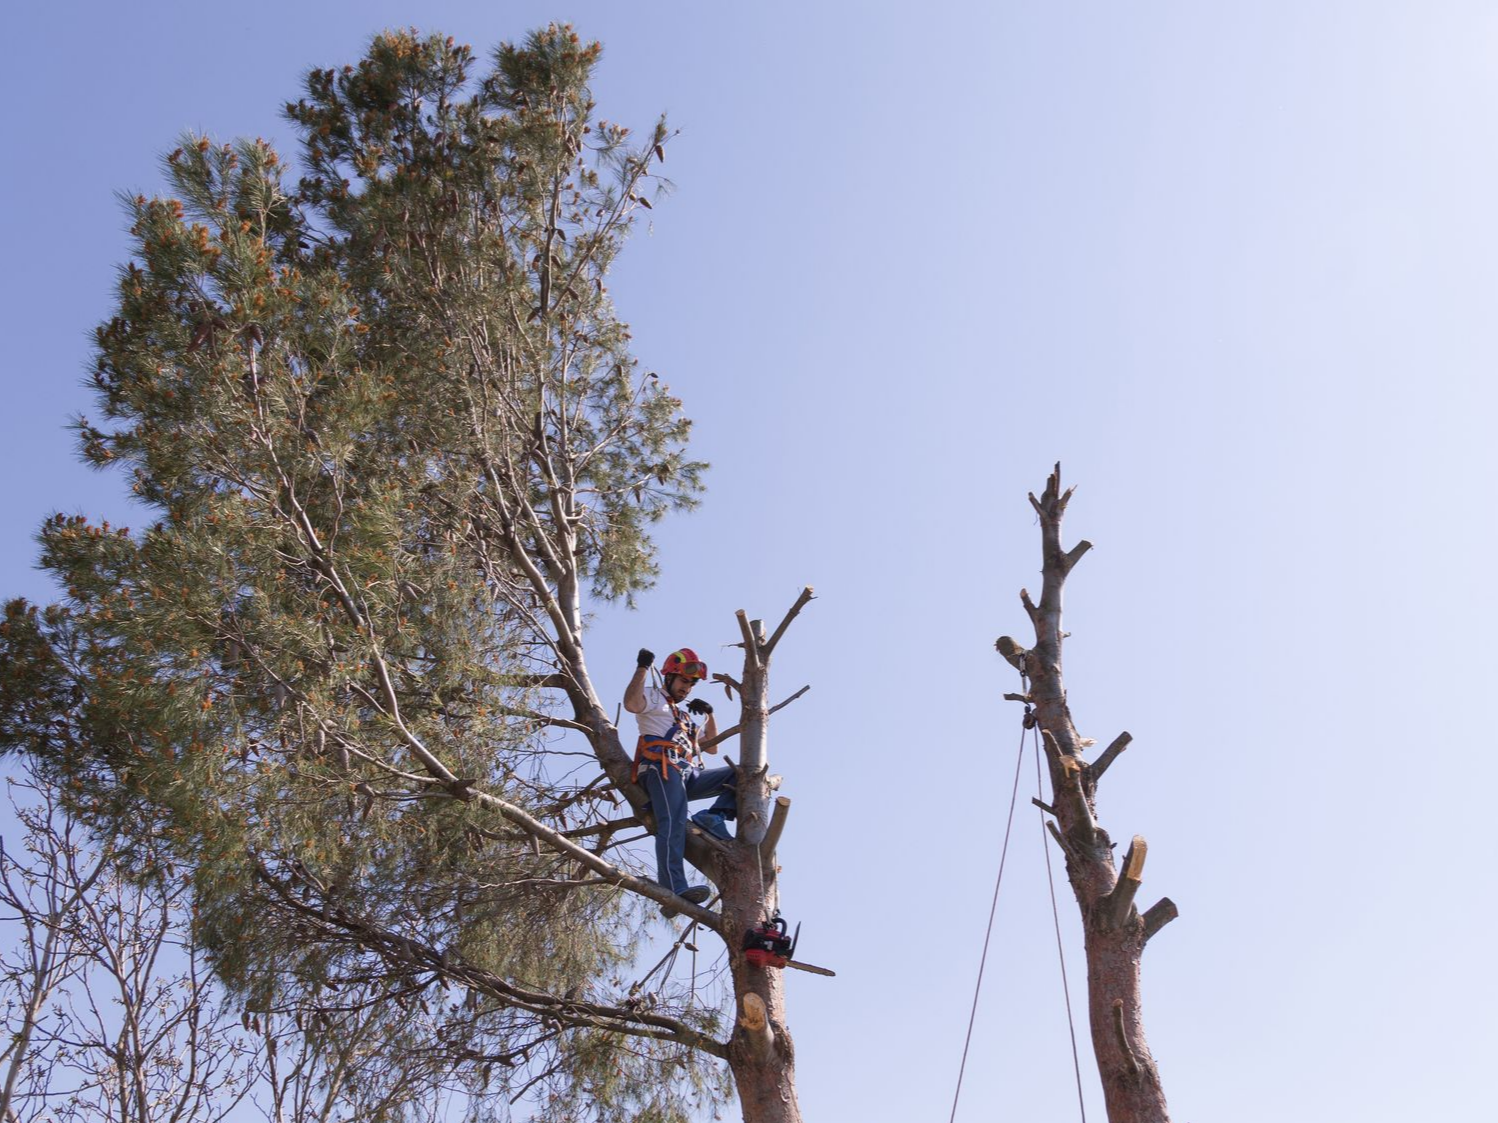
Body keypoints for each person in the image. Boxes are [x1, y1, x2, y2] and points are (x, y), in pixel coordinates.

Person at [624, 646, 736, 916]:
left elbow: (710, 748)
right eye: (684, 681)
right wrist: (641, 667)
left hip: (687, 773)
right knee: (672, 823)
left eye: (692, 684)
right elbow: (630, 704)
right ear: (669, 677)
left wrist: (709, 715)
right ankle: (673, 887)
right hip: (662, 769)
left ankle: (714, 816)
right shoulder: (653, 698)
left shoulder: (683, 717)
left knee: (740, 774)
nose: (687, 688)